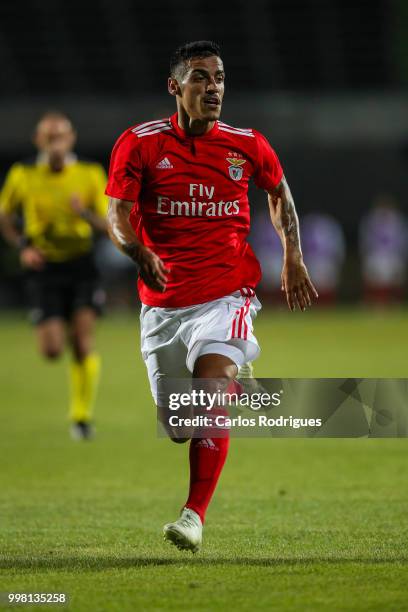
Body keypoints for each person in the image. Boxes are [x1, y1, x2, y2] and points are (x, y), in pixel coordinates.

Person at [106, 41, 317, 552]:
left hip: (228, 294)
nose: (213, 87)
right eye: (200, 77)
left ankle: (193, 515)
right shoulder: (140, 144)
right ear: (175, 87)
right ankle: (234, 392)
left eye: (219, 77)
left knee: (210, 388)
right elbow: (116, 216)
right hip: (162, 305)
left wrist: (293, 255)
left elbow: (279, 193)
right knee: (181, 425)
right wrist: (138, 253)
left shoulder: (247, 145)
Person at [0, 111, 108, 440]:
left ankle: (81, 417)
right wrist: (22, 246)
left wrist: (84, 213)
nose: (54, 142)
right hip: (44, 267)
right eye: (48, 137)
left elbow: (109, 224)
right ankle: (57, 324)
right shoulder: (23, 175)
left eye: (60, 136)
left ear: (71, 138)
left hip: (81, 265)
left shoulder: (89, 174)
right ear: (38, 141)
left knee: (82, 344)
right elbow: (4, 215)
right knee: (50, 350)